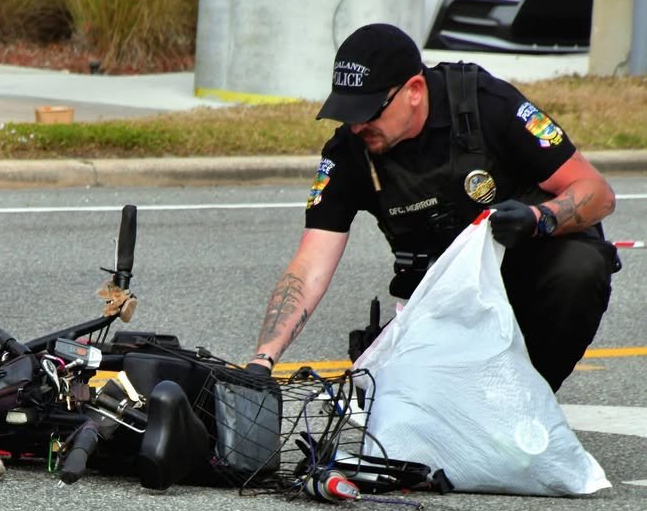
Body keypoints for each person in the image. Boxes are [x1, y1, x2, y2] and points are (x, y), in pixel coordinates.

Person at [246, 22, 619, 393]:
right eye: (349, 114)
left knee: (580, 269)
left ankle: (529, 397)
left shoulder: (487, 103)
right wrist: (263, 360)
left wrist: (540, 218)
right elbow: (310, 263)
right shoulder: (349, 153)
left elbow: (598, 193)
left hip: (531, 270)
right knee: (404, 414)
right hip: (446, 297)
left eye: (369, 112)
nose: (358, 126)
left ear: (414, 90)